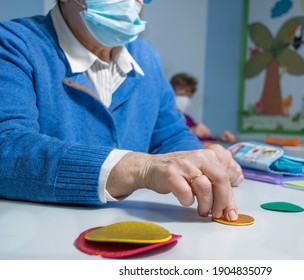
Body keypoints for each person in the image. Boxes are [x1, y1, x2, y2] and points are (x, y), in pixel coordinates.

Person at [0, 0, 243, 221]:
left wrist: (203, 164)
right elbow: (7, 147)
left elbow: (170, 136)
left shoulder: (147, 57)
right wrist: (142, 169)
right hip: (41, 235)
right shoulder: (13, 44)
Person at [170, 73, 237, 144]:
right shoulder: (165, 117)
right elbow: (166, 137)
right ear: (170, 93)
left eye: (189, 96)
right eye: (182, 95)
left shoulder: (188, 119)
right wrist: (192, 131)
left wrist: (222, 139)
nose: (185, 100)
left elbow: (205, 139)